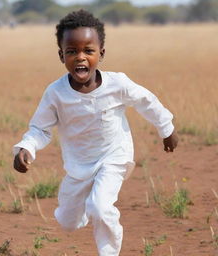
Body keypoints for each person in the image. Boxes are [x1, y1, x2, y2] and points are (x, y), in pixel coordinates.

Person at [13, 9, 178, 256]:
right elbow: (40, 128)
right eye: (72, 51)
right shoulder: (56, 93)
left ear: (101, 54)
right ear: (61, 55)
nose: (80, 57)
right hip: (79, 165)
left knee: (100, 206)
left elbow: (147, 101)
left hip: (115, 157)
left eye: (88, 51)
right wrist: (27, 147)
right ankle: (81, 213)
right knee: (67, 222)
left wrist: (166, 128)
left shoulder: (117, 84)